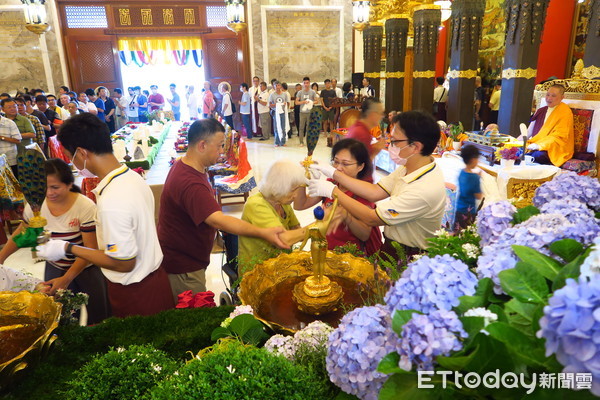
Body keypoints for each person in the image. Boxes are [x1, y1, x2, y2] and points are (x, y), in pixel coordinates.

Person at [38, 113, 173, 317]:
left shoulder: (113, 200)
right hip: (155, 280)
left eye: (70, 157)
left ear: (82, 153)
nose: (72, 163)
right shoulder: (131, 177)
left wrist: (68, 247)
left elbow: (124, 263)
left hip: (136, 293)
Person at [157, 119, 288, 301]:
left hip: (186, 257)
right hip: (184, 267)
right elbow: (219, 220)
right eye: (219, 146)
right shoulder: (190, 182)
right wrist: (263, 232)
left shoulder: (187, 165)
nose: (222, 152)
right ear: (202, 145)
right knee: (193, 313)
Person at [308, 111, 446, 263]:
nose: (389, 145)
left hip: (409, 255)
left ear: (415, 147)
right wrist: (334, 174)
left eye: (394, 141)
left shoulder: (423, 189)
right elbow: (375, 192)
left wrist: (332, 191)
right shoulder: (410, 167)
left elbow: (372, 218)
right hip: (393, 245)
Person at [0, 158, 111, 324]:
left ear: (68, 184)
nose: (49, 192)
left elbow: (90, 250)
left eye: (55, 187)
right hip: (55, 267)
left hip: (86, 268)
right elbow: (22, 234)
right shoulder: (36, 205)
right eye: (45, 187)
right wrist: (1, 258)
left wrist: (66, 279)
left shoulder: (84, 207)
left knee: (98, 315)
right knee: (59, 317)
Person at [295, 139, 382, 255]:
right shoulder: (331, 184)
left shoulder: (364, 193)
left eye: (345, 164)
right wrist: (302, 179)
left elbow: (365, 235)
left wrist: (346, 215)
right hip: (325, 251)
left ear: (360, 166)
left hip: (349, 257)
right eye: (335, 162)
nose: (338, 168)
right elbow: (300, 205)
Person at [238, 160, 308, 266]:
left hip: (279, 264)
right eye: (293, 190)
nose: (296, 195)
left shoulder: (282, 202)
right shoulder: (256, 205)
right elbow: (283, 240)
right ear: (278, 187)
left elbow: (297, 230)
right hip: (258, 271)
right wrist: (316, 227)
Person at [525, 84, 574, 166]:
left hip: (554, 147)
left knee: (538, 155)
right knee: (517, 150)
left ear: (562, 97)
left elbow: (560, 136)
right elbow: (529, 131)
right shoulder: (541, 111)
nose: (549, 98)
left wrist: (540, 145)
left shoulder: (565, 112)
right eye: (547, 95)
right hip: (535, 144)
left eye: (553, 96)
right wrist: (516, 142)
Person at [455, 145, 482, 230]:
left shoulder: (461, 172)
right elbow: (479, 196)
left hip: (459, 208)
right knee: (467, 235)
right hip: (469, 212)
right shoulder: (475, 178)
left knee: (458, 233)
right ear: (473, 160)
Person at [295, 77, 317, 146]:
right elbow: (296, 102)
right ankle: (301, 142)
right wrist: (303, 102)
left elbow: (316, 101)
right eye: (304, 83)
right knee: (301, 127)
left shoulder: (312, 92)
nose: (306, 84)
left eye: (307, 83)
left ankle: (308, 141)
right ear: (303, 84)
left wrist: (311, 102)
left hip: (310, 112)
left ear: (309, 83)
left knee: (309, 128)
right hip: (302, 112)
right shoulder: (300, 92)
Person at [0, 111, 22, 178]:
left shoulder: (9, 122)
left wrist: (2, 137)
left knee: (13, 181)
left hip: (10, 159)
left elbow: (18, 140)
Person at [269, 81, 289, 147]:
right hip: (275, 113)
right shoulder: (272, 95)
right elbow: (270, 105)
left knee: (283, 127)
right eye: (276, 86)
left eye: (278, 85)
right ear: (274, 87)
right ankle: (277, 142)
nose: (277, 87)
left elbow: (287, 103)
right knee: (276, 127)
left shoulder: (284, 94)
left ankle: (283, 142)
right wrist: (276, 105)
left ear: (280, 86)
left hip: (283, 112)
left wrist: (285, 106)